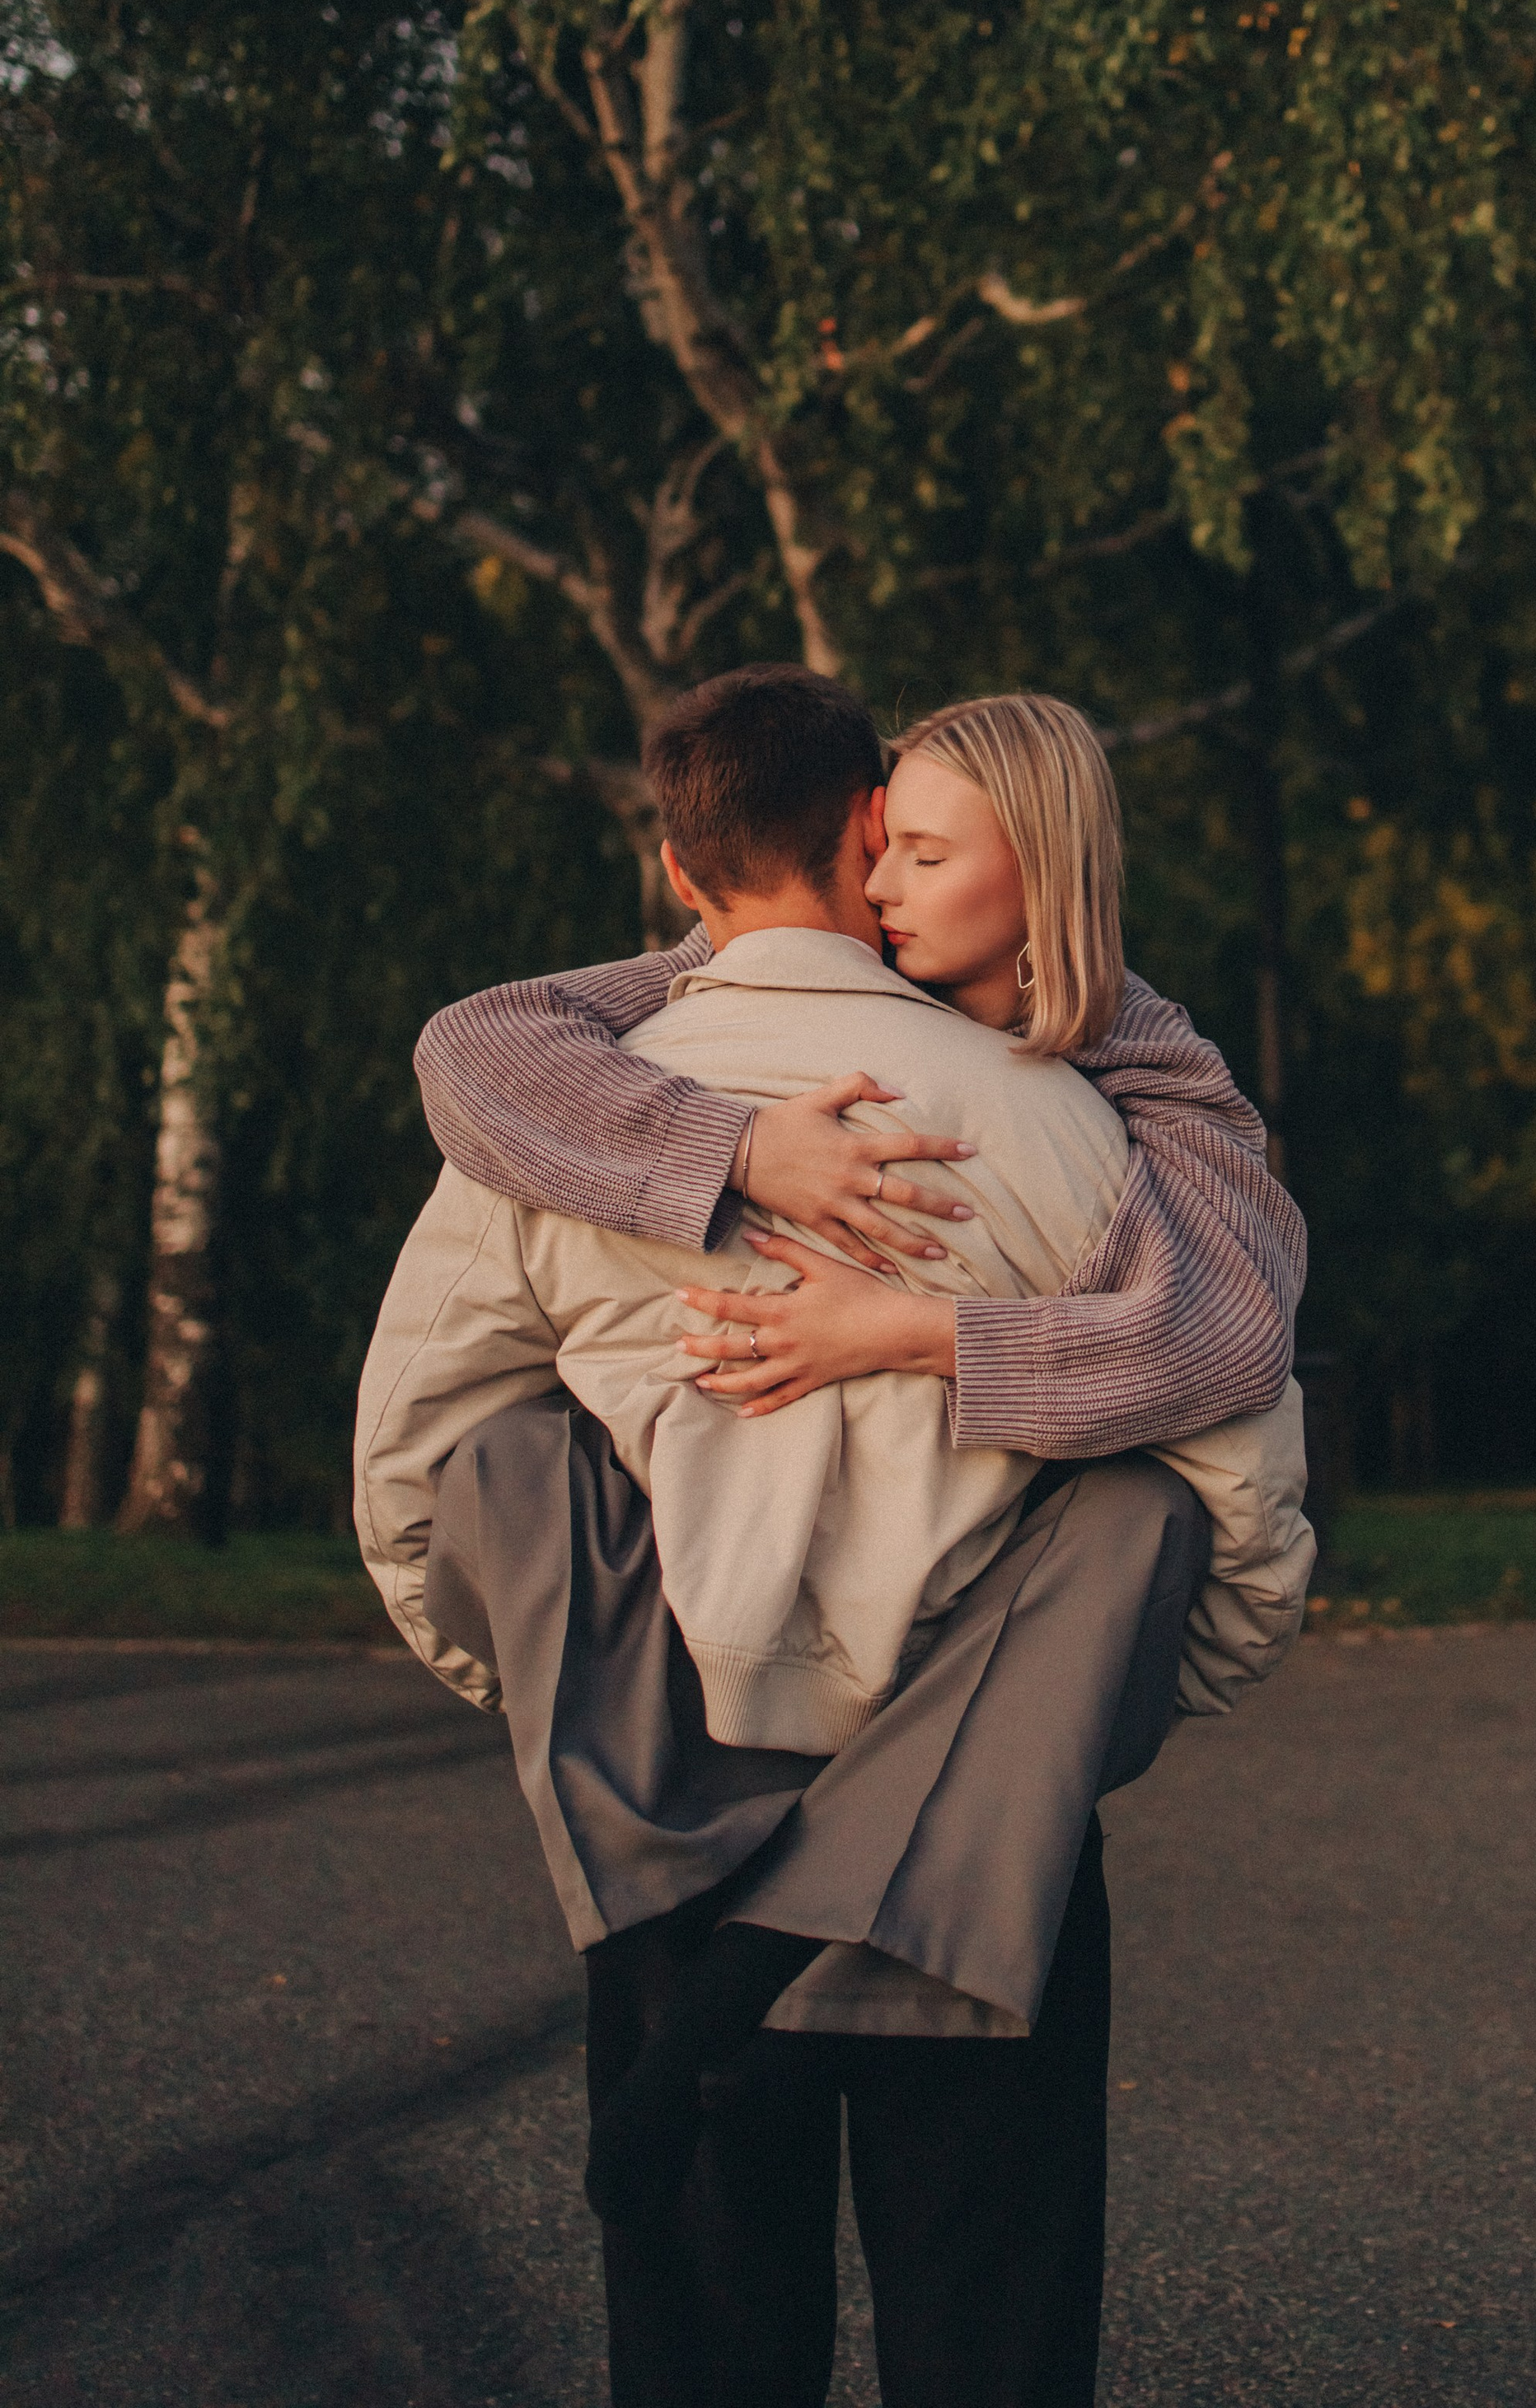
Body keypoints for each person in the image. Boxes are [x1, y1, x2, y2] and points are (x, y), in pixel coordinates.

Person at [384, 666, 1309, 2407]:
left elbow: (1223, 1348)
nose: (884, 893)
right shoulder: (1054, 1136)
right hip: (979, 1815)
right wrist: (729, 1156)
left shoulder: (1153, 1091)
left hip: (688, 1776)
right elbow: (1247, 1496)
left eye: (926, 856)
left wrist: (912, 1340)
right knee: (991, 2298)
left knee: (709, 2327)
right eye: (879, 853)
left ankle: (739, 1967)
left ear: (1040, 880)